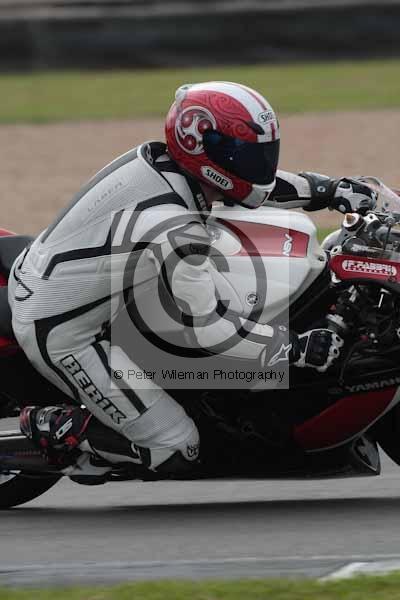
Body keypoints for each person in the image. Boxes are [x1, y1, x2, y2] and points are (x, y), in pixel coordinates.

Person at [10, 81, 376, 477]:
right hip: (63, 331)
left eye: (262, 152)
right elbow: (210, 329)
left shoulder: (163, 161)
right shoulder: (173, 224)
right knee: (177, 447)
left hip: (71, 279)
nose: (257, 164)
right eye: (244, 154)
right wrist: (293, 348)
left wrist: (328, 190)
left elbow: (252, 187)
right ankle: (61, 428)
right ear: (203, 149)